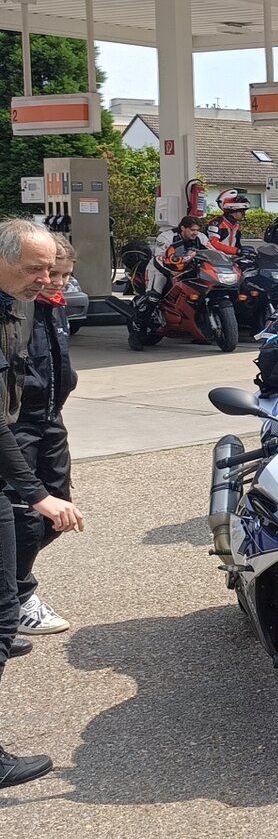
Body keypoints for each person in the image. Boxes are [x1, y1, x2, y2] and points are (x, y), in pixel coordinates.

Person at [0, 218, 82, 788]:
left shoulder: (20, 305)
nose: (48, 280)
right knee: (2, 614)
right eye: (36, 269)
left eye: (53, 270)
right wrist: (36, 496)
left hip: (28, 433)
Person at [12, 236, 79, 636]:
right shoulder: (18, 307)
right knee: (24, 512)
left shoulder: (55, 306)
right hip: (18, 423)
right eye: (51, 273)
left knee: (59, 509)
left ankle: (11, 584)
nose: (56, 282)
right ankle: (18, 597)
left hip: (50, 419)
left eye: (65, 275)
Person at [206, 188, 249, 257]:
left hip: (230, 259)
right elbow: (214, 243)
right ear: (233, 211)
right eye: (242, 212)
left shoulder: (236, 225)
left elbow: (237, 245)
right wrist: (236, 251)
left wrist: (243, 251)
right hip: (216, 259)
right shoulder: (217, 223)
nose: (244, 215)